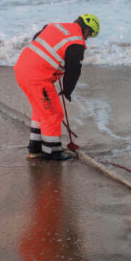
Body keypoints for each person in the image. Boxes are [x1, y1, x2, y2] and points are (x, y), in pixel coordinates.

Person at [14, 14, 100, 160]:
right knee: (53, 113)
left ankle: (35, 148)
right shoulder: (76, 42)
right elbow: (73, 71)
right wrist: (67, 91)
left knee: (41, 110)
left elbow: (37, 39)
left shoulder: (55, 26)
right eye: (90, 34)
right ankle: (52, 152)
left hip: (21, 67)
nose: (88, 38)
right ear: (86, 29)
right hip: (37, 78)